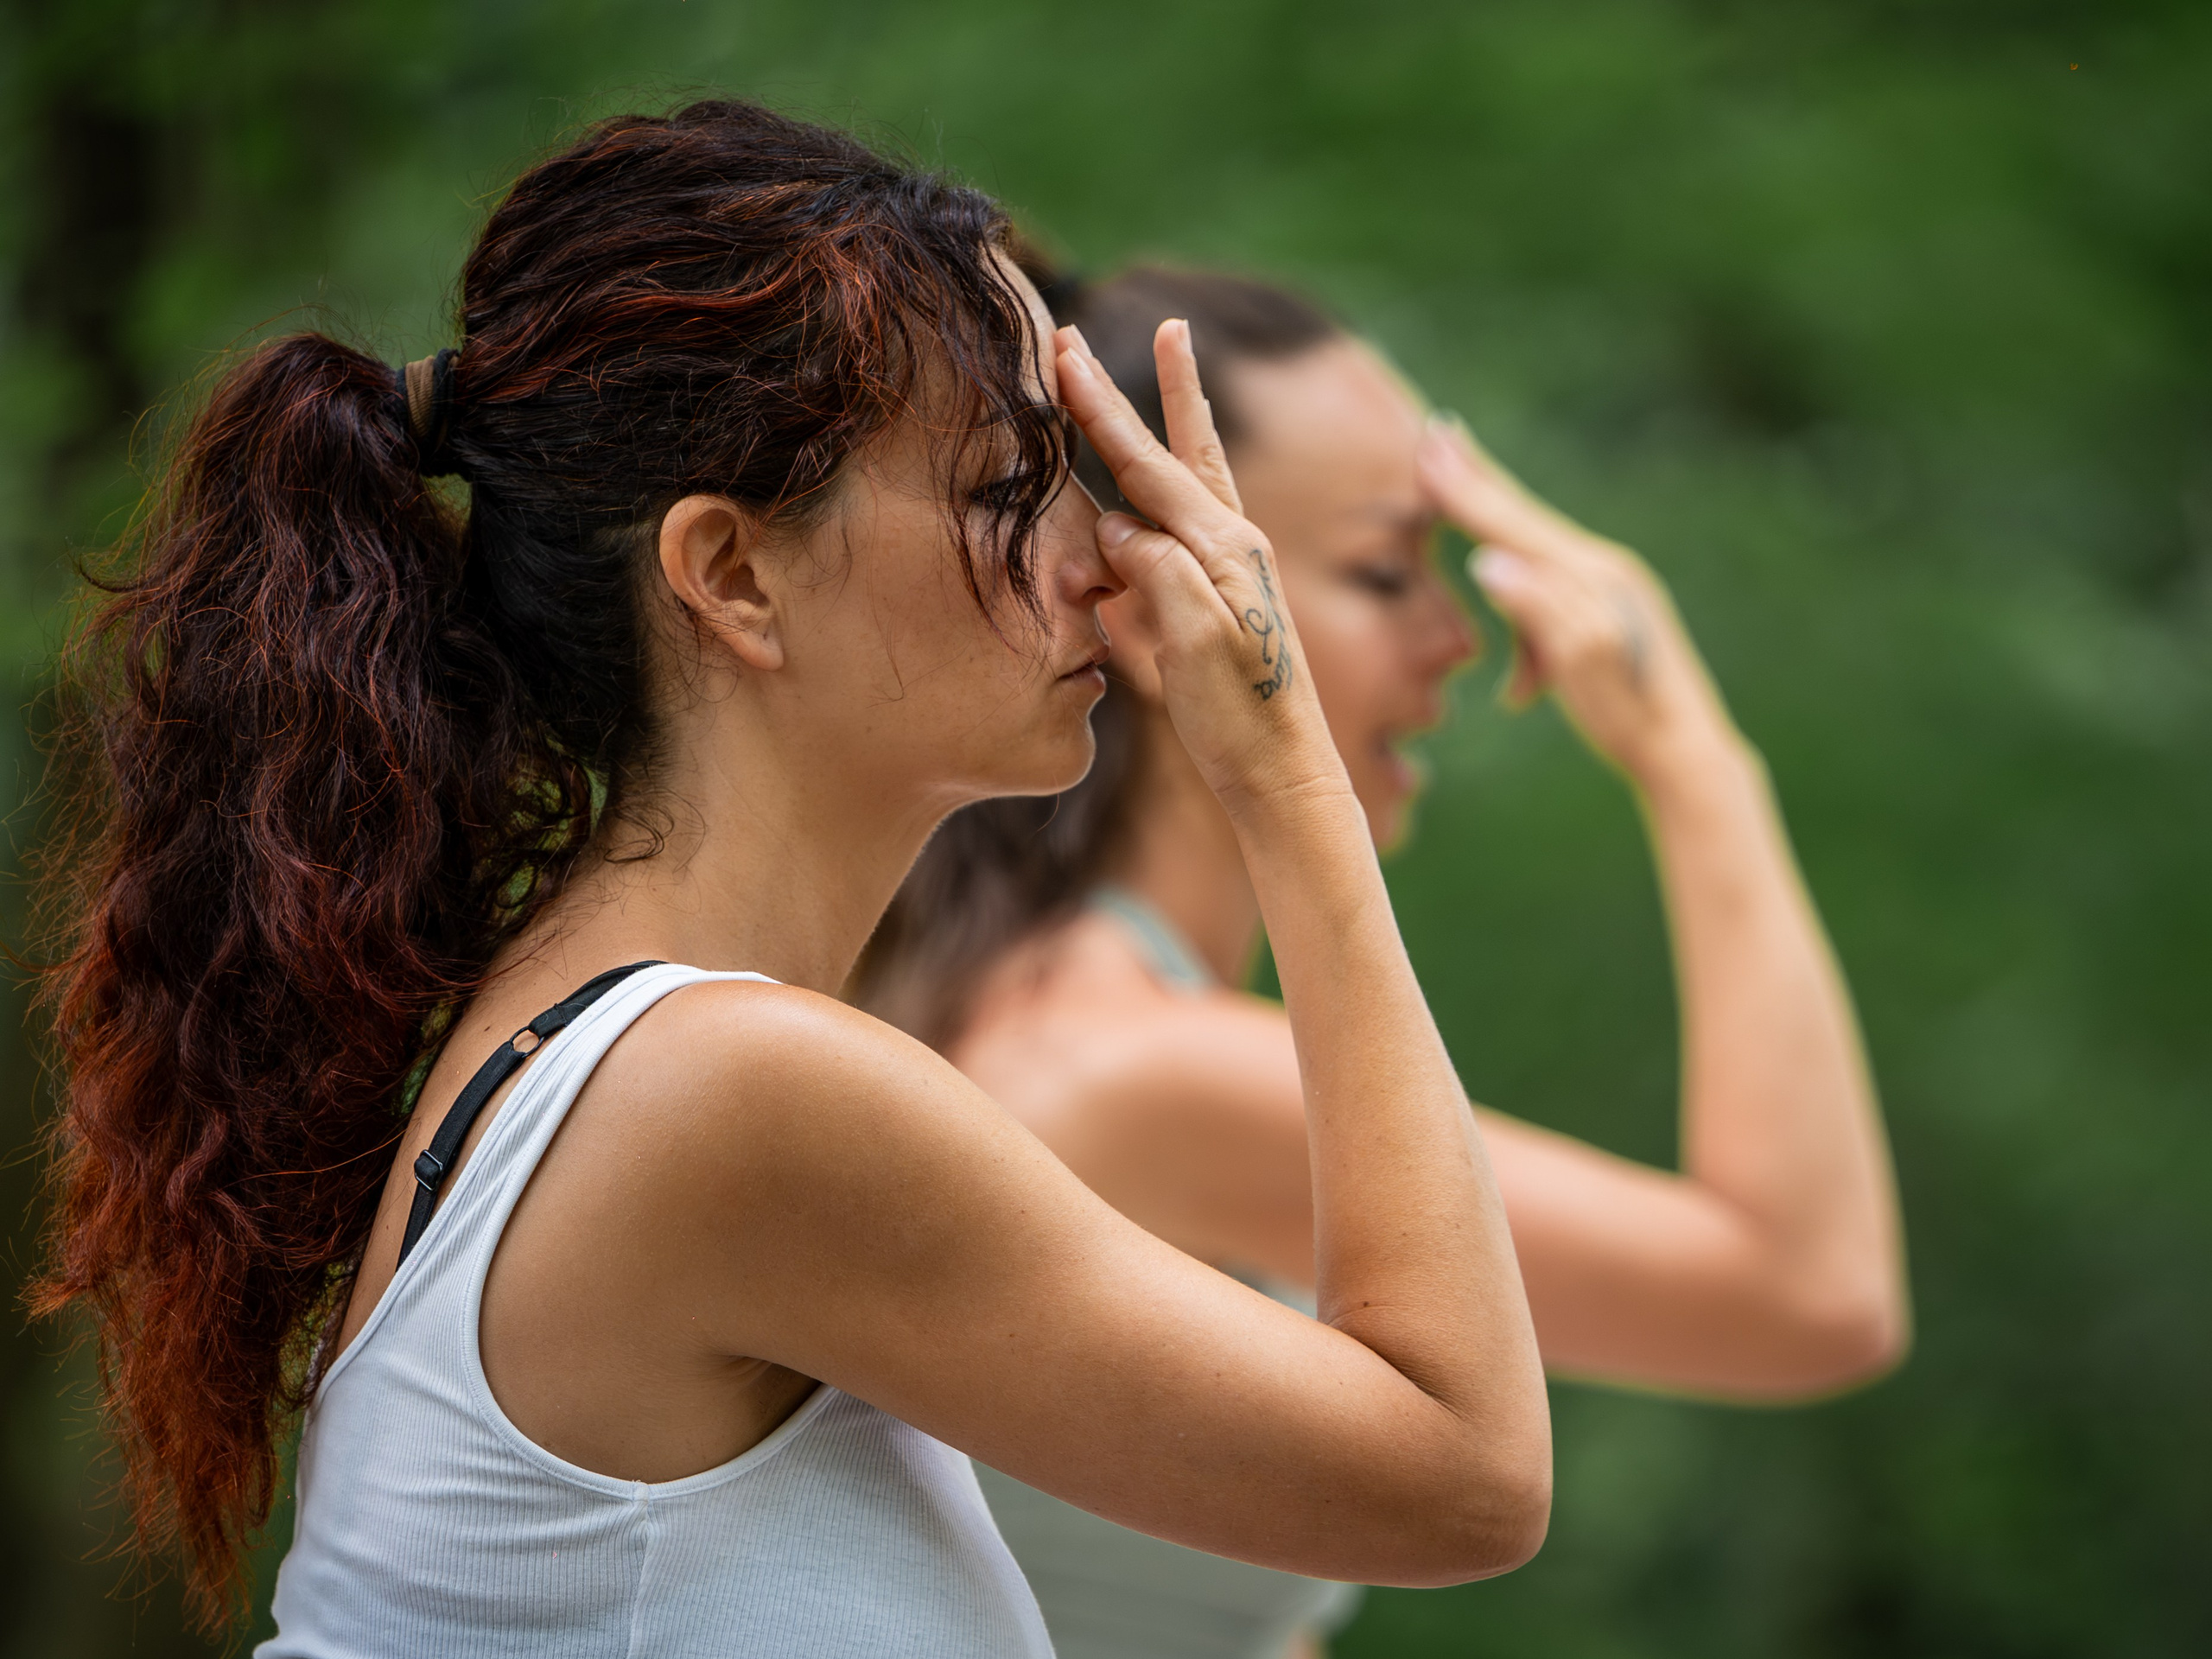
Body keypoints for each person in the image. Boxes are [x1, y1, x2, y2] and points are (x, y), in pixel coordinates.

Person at [30, 107, 1554, 1656]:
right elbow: (1464, 1475)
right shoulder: (734, 1094)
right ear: (733, 576)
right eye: (1007, 485)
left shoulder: (606, 1053)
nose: (1106, 554)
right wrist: (1289, 774)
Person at [857, 265, 1911, 1659]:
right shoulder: (1139, 1069)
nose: (1458, 639)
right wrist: (1695, 758)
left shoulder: (1047, 1009)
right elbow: (1809, 1294)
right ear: (1159, 597)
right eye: (1383, 570)